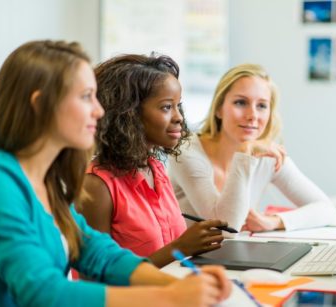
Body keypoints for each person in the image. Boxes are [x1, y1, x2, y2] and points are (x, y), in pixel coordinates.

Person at [0, 40, 230, 307]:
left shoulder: (45, 183)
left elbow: (99, 254)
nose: (99, 110)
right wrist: (169, 296)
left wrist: (181, 285)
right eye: (85, 97)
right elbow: (43, 292)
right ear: (41, 104)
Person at [78, 54, 227, 268]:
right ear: (128, 114)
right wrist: (179, 249)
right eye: (167, 107)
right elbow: (94, 281)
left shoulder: (154, 168)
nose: (179, 117)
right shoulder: (96, 187)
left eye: (178, 106)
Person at [168, 63, 336, 232]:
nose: (253, 116)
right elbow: (226, 227)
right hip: (186, 258)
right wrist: (244, 153)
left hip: (234, 254)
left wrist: (275, 221)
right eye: (241, 102)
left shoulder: (267, 156)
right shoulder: (186, 151)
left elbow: (327, 209)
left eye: (262, 105)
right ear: (219, 109)